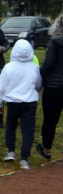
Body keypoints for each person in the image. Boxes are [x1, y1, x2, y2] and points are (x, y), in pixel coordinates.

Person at [0, 39, 42, 170]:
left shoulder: (8, 67)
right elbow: (38, 84)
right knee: (28, 129)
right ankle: (24, 158)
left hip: (13, 102)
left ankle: (11, 151)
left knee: (11, 125)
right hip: (29, 102)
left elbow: (0, 86)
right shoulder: (34, 68)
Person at [37, 18, 63, 160]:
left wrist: (41, 75)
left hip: (54, 86)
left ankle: (47, 149)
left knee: (50, 120)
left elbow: (48, 64)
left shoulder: (55, 43)